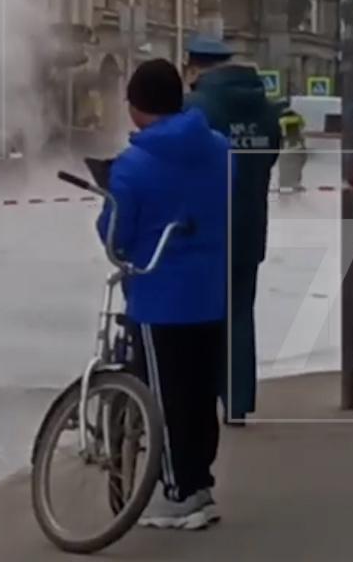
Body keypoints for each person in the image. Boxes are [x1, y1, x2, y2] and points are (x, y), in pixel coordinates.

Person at [103, 58, 231, 531]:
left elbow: (116, 236)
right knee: (199, 394)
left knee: (164, 398)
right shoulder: (219, 148)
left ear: (137, 107)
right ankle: (200, 487)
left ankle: (179, 496)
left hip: (159, 298)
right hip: (211, 290)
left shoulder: (133, 164)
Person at [182, 34, 281, 427]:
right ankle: (238, 404)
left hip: (205, 229)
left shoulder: (196, 108)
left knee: (201, 317)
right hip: (250, 225)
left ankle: (201, 400)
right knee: (240, 314)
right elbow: (269, 157)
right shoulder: (266, 110)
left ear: (194, 67)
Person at [277, 102, 306, 193]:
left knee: (284, 167)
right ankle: (295, 184)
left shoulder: (281, 119)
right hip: (296, 145)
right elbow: (302, 126)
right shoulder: (297, 117)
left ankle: (284, 184)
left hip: (287, 146)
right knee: (297, 166)